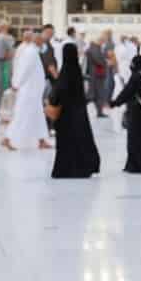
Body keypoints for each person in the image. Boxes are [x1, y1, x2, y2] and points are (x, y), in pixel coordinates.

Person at [48, 42, 100, 179]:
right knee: (79, 140)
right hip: (79, 113)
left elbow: (59, 91)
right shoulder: (76, 71)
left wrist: (52, 101)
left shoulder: (65, 72)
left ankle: (67, 170)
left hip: (66, 115)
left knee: (66, 143)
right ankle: (83, 167)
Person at [3, 29, 52, 151]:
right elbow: (24, 70)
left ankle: (41, 140)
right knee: (21, 115)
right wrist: (16, 84)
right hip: (28, 91)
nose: (43, 43)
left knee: (38, 116)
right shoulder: (30, 52)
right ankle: (7, 139)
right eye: (41, 41)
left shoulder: (34, 51)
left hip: (34, 92)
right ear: (37, 41)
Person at [85, 32, 111, 118]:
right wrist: (106, 62)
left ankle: (99, 112)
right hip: (96, 75)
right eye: (102, 40)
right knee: (95, 94)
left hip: (96, 74)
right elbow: (98, 60)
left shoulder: (95, 47)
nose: (103, 42)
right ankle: (98, 111)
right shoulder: (94, 48)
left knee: (96, 94)